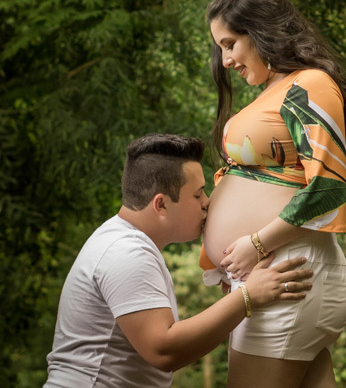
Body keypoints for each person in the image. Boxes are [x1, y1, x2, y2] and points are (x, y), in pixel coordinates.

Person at [199, 0, 346, 388]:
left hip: (288, 272)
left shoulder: (307, 84)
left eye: (230, 44)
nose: (225, 61)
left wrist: (255, 244)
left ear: (259, 31)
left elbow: (330, 187)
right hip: (283, 274)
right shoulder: (274, 92)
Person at [44, 133, 314, 388]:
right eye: (198, 194)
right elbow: (164, 351)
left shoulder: (124, 242)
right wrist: (247, 297)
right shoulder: (125, 252)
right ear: (160, 204)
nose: (207, 203)